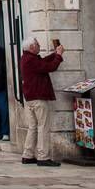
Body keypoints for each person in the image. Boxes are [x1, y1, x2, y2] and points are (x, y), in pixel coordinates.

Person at [20, 37, 64, 166]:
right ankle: (43, 157)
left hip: (31, 98)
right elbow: (50, 67)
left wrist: (55, 54)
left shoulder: (28, 58)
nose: (39, 46)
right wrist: (59, 56)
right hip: (38, 97)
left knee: (33, 127)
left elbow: (43, 62)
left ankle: (27, 155)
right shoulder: (31, 60)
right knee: (43, 126)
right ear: (32, 47)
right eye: (38, 44)